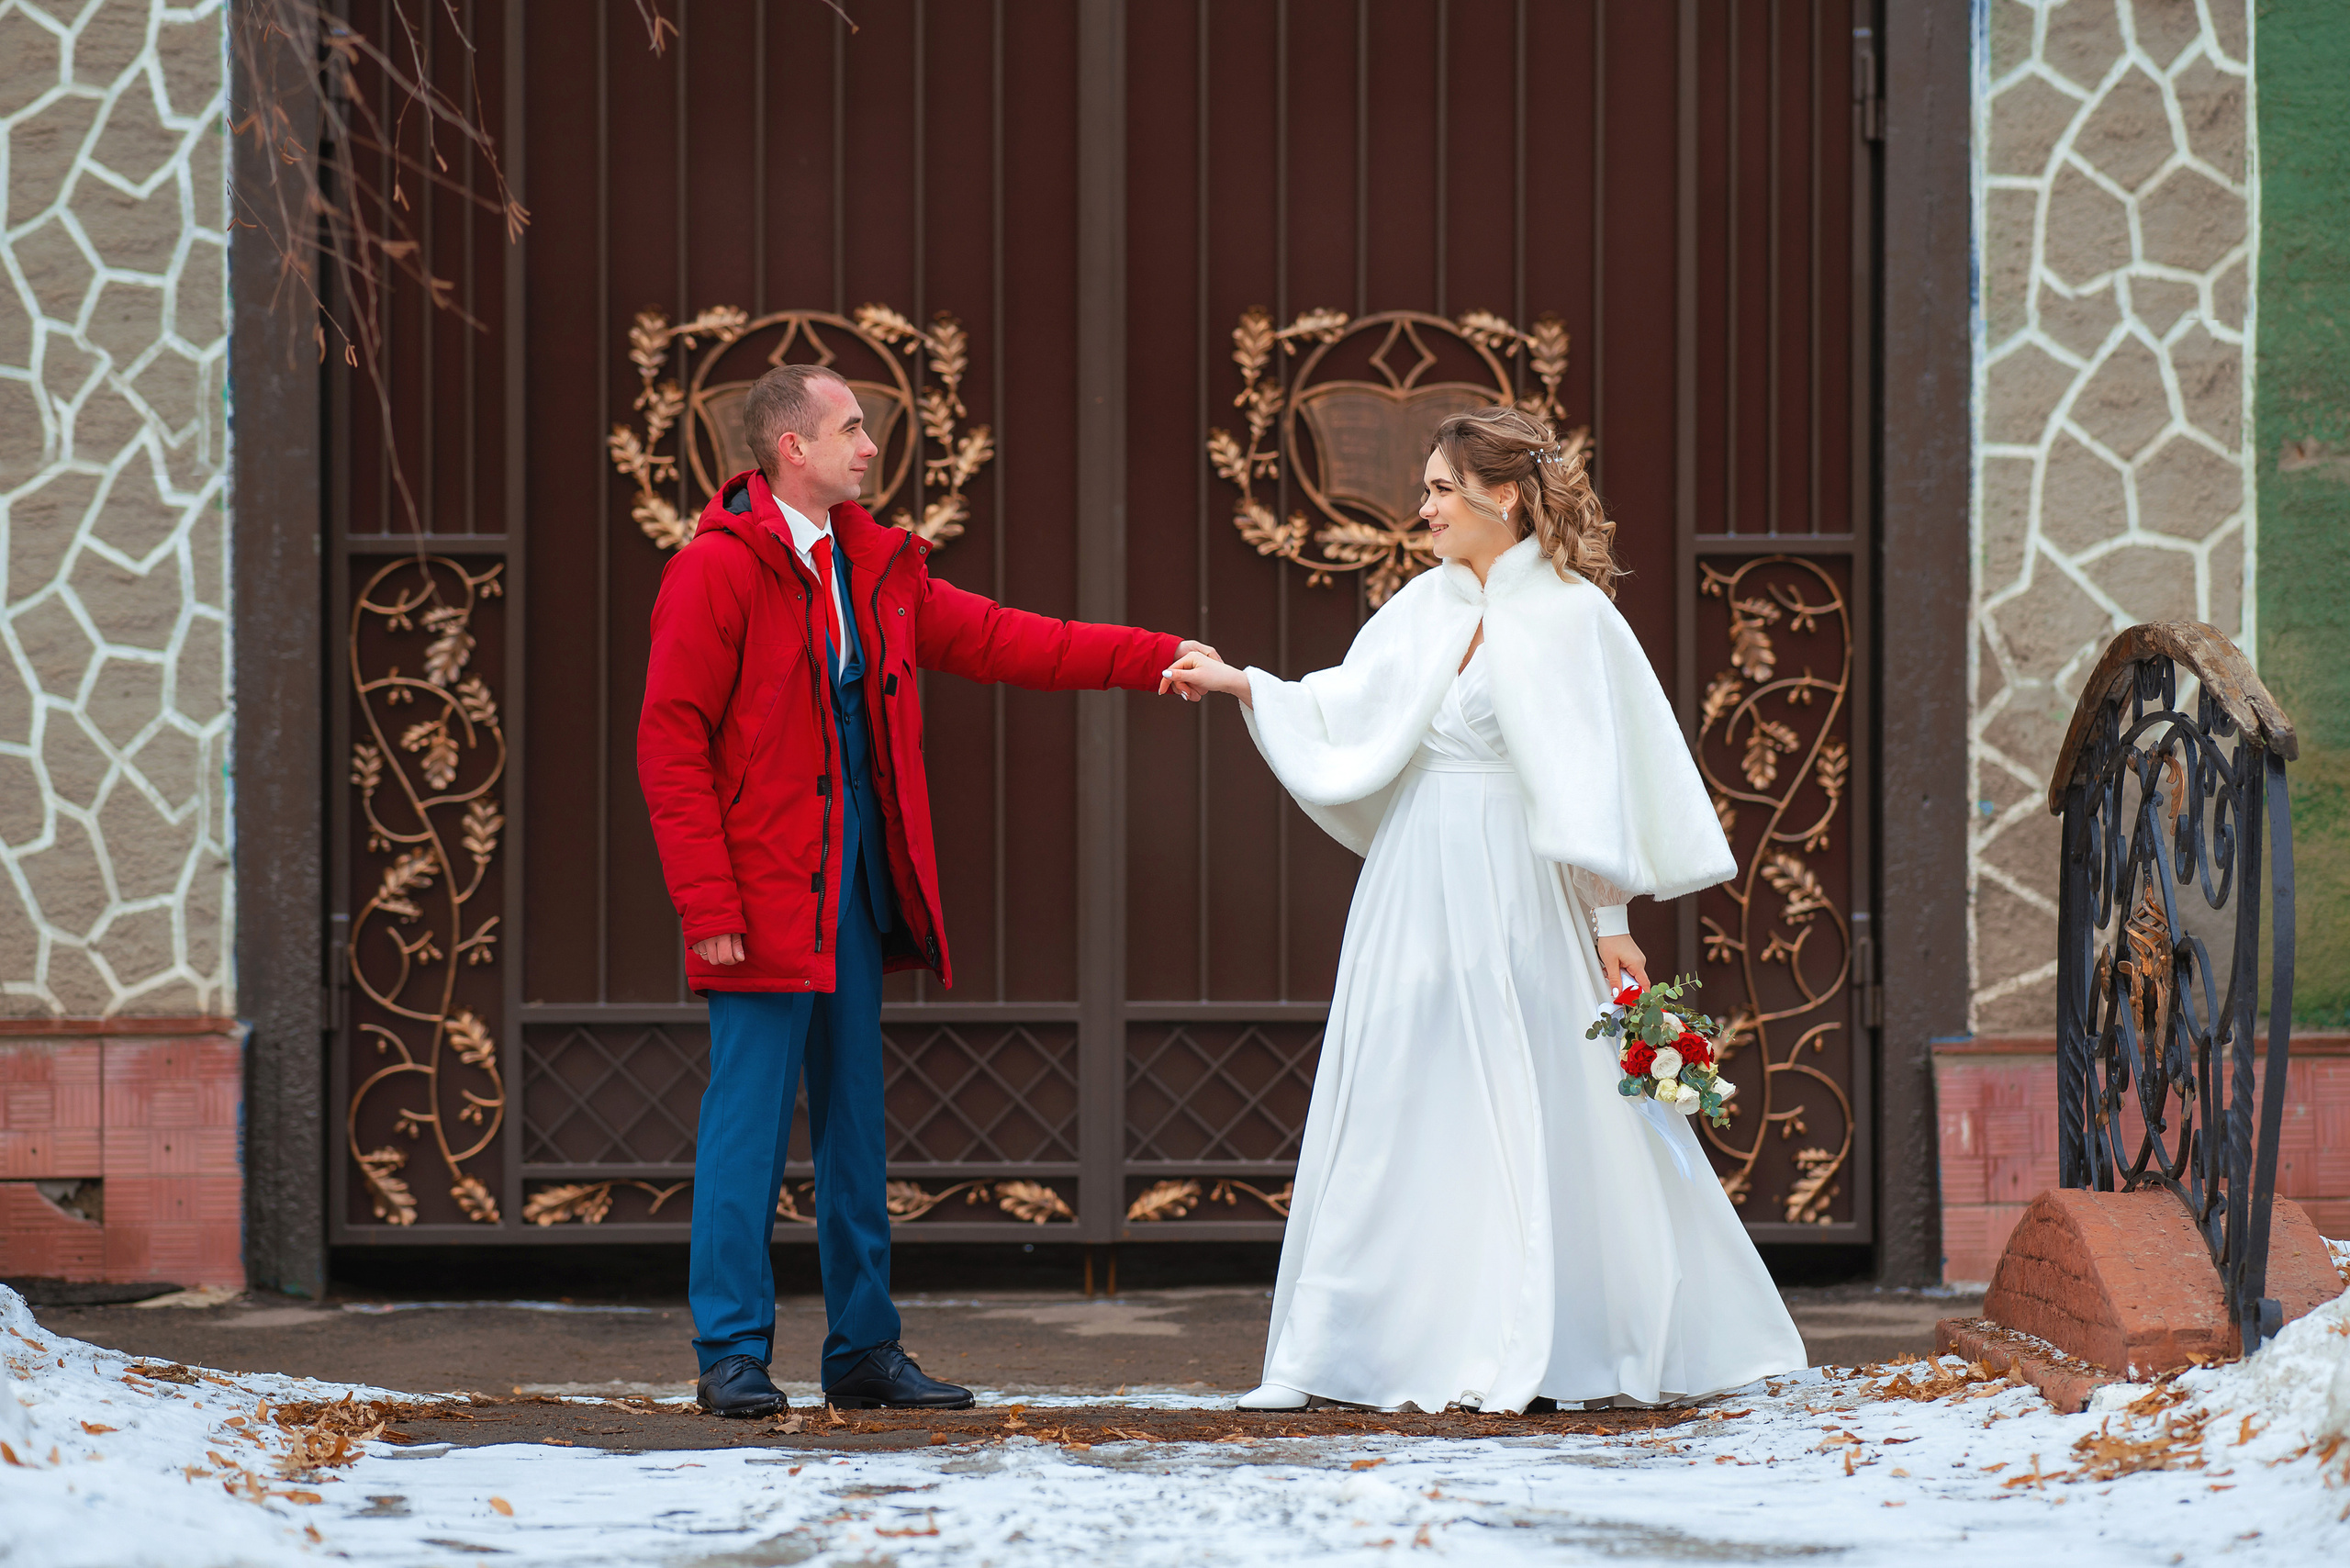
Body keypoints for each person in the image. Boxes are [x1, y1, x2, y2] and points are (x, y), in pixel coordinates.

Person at [1162, 406, 1807, 1415]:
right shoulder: (1421, 606)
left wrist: (1610, 927)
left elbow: (1593, 783)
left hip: (1517, 885)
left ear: (1501, 496)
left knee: (1534, 1090)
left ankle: (1546, 1336)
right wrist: (1246, 683)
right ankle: (1346, 1348)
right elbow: (1348, 704)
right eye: (1424, 491)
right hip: (1416, 880)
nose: (1421, 509)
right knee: (1396, 1087)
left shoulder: (1574, 616)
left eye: (1439, 491)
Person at [639, 363, 1212, 1417]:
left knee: (856, 1130)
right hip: (761, 898)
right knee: (746, 1133)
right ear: (789, 451)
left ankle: (863, 1350)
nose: (869, 446)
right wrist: (708, 907)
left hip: (852, 893)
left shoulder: (875, 566)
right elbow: (670, 745)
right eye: (850, 429)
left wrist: (1153, 658)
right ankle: (730, 1353)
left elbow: (1003, 639)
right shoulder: (715, 571)